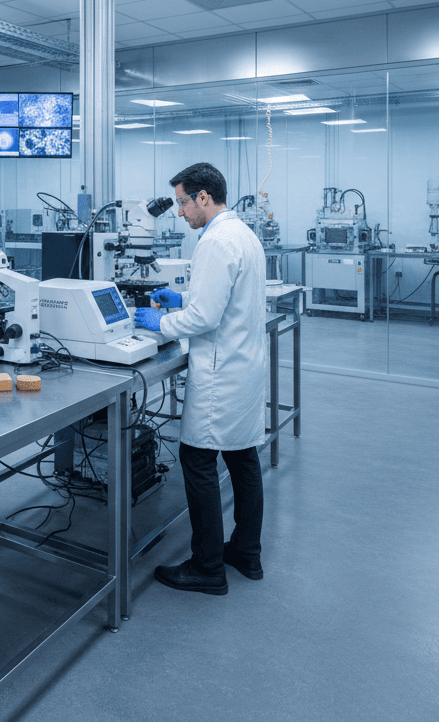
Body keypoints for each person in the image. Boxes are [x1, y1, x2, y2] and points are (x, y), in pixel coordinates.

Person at [134, 163, 267, 595]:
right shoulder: (243, 234)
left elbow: (205, 317)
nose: (179, 212)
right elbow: (220, 297)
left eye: (182, 202)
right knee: (244, 461)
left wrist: (160, 320)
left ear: (203, 198)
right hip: (244, 367)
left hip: (220, 373)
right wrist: (184, 296)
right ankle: (246, 552)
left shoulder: (213, 242)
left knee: (198, 462)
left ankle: (207, 566)